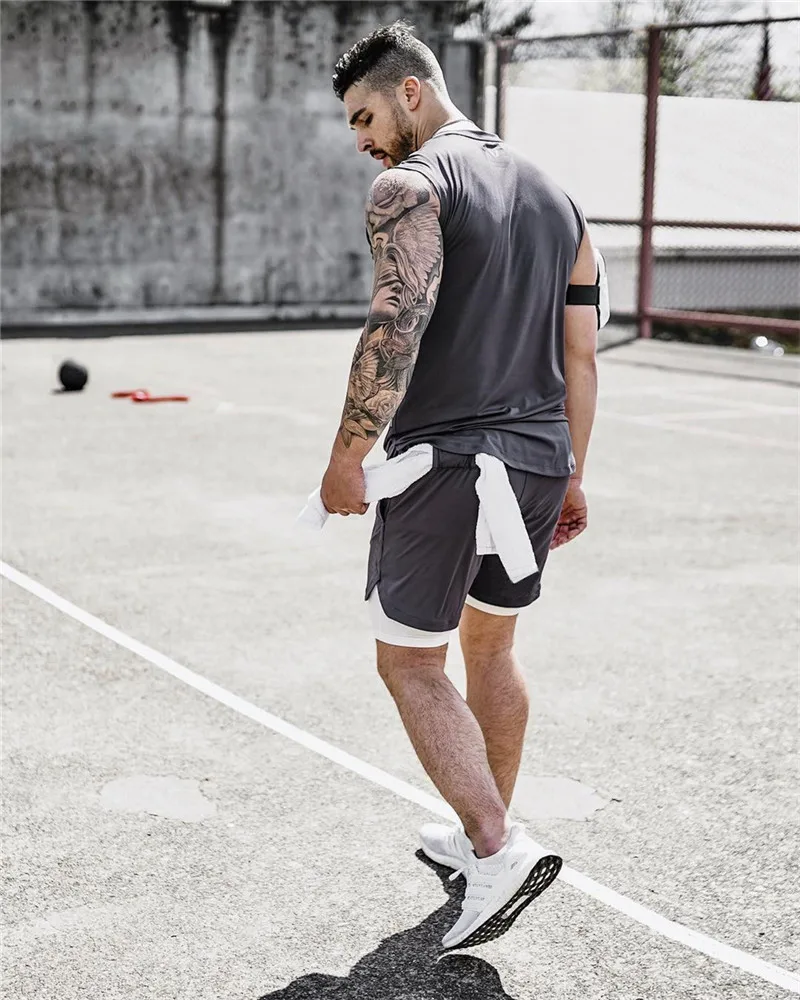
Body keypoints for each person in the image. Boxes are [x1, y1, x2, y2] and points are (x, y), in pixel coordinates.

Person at [320, 21, 600, 951]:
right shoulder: (560, 199)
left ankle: (495, 843)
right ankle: (484, 844)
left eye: (364, 117)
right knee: (492, 646)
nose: (361, 141)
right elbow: (581, 356)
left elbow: (395, 327)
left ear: (410, 91)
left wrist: (347, 456)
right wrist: (573, 474)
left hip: (447, 461)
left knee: (409, 662)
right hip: (539, 458)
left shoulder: (411, 184)